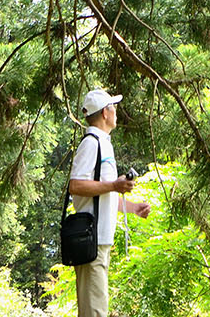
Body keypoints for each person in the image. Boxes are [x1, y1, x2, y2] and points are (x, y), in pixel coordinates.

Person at [68, 87, 150, 317]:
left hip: (99, 241)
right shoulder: (91, 143)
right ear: (105, 113)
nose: (116, 112)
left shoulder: (103, 143)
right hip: (90, 242)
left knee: (98, 308)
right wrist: (114, 185)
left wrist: (133, 208)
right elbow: (76, 185)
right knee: (95, 311)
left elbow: (103, 193)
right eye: (113, 107)